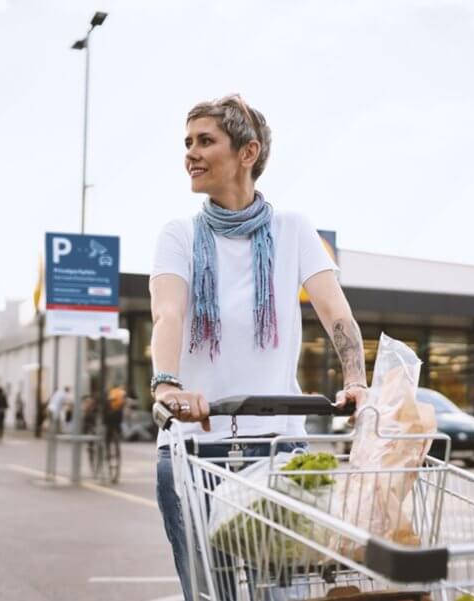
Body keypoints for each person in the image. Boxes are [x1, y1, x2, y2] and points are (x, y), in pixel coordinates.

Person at [150, 94, 368, 601]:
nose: (191, 153)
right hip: (193, 449)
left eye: (206, 141)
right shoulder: (178, 234)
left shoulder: (292, 229)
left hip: (276, 446)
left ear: (248, 153)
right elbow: (169, 314)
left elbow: (335, 312)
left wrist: (356, 379)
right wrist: (167, 383)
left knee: (285, 593)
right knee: (214, 594)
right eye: (188, 142)